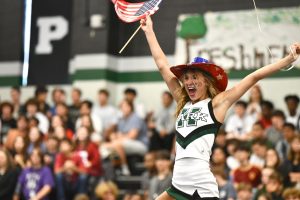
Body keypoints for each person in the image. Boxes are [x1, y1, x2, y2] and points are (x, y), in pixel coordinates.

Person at [141, 16, 300, 199]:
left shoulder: (217, 103)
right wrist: (149, 31)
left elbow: (253, 78)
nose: (188, 81)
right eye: (186, 77)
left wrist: (289, 58)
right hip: (178, 184)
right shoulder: (182, 101)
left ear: (206, 80)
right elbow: (162, 65)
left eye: (194, 76)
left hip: (200, 185)